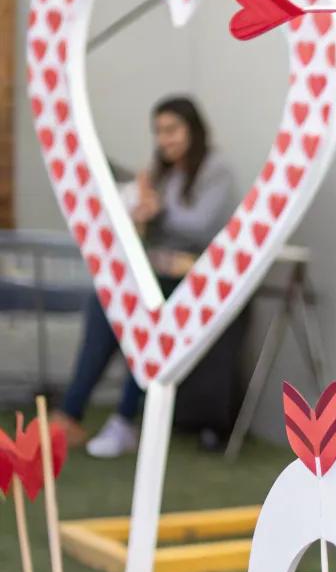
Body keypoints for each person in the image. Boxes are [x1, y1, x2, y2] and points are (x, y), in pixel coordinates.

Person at [54, 96, 235, 458]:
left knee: (143, 312)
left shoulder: (217, 170)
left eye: (172, 130)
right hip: (153, 273)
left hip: (193, 282)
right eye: (158, 131)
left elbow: (201, 226)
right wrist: (137, 213)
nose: (164, 139)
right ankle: (70, 413)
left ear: (192, 130)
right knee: (106, 300)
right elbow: (149, 231)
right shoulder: (161, 173)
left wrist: (159, 209)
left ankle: (123, 419)